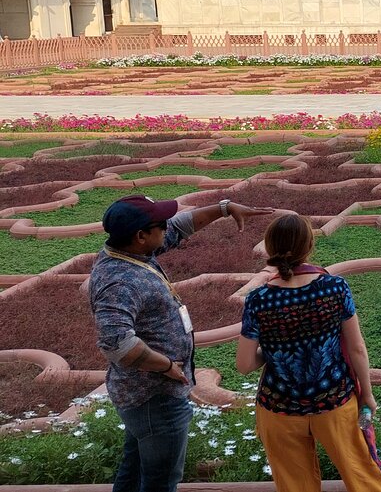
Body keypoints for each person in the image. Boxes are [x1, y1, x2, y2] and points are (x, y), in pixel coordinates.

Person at [90, 195, 271, 492]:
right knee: (161, 481)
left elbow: (178, 227)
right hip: (153, 397)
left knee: (134, 470)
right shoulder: (120, 281)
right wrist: (166, 366)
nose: (166, 229)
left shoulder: (132, 251)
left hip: (146, 395)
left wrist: (224, 208)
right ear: (140, 236)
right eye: (159, 224)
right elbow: (116, 344)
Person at [237, 214, 381, 492]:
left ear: (270, 249)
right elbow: (356, 347)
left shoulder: (258, 299)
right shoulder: (334, 288)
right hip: (333, 400)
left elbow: (245, 364)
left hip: (279, 408)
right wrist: (367, 394)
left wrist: (274, 348)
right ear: (308, 246)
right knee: (364, 479)